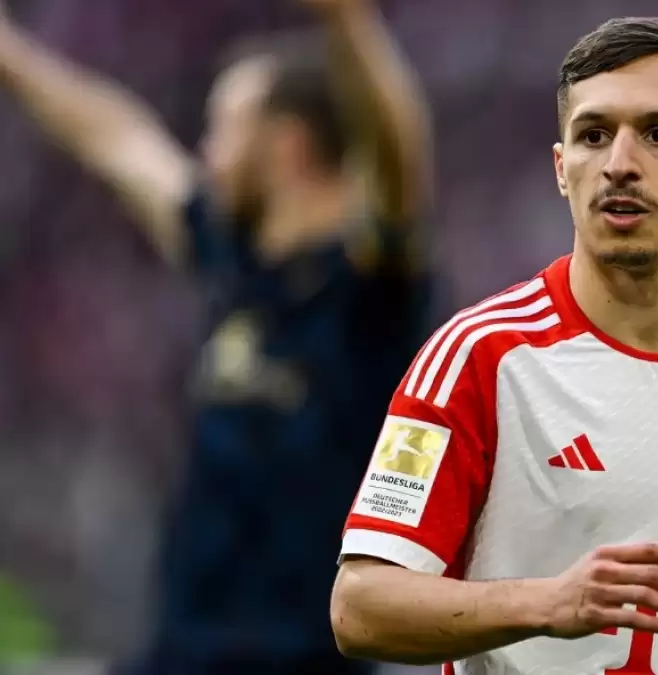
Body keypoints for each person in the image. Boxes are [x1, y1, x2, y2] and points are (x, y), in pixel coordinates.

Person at [331, 15, 658, 675]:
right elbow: (360, 607)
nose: (619, 164)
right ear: (563, 169)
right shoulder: (478, 357)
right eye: (593, 135)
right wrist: (547, 602)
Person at [0, 0, 434, 673]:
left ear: (288, 143)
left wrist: (349, 22)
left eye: (223, 127)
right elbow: (118, 140)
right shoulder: (235, 262)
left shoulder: (367, 287)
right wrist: (9, 53)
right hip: (185, 649)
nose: (208, 153)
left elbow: (399, 159)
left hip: (301, 659)